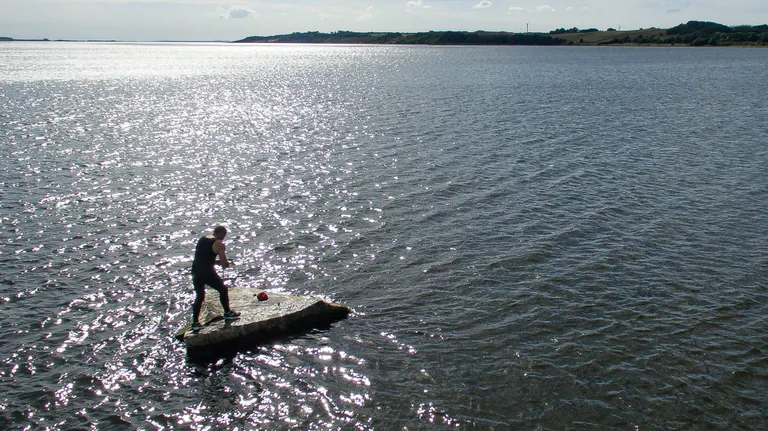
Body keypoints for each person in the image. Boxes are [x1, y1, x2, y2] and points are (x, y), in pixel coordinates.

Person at [190, 225, 240, 330]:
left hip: (195, 272)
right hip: (207, 273)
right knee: (223, 289)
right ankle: (227, 312)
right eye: (224, 236)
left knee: (200, 295)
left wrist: (216, 262)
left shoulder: (202, 239)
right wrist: (225, 264)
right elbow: (225, 263)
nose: (223, 238)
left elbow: (204, 258)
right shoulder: (219, 244)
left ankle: (195, 323)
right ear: (222, 234)